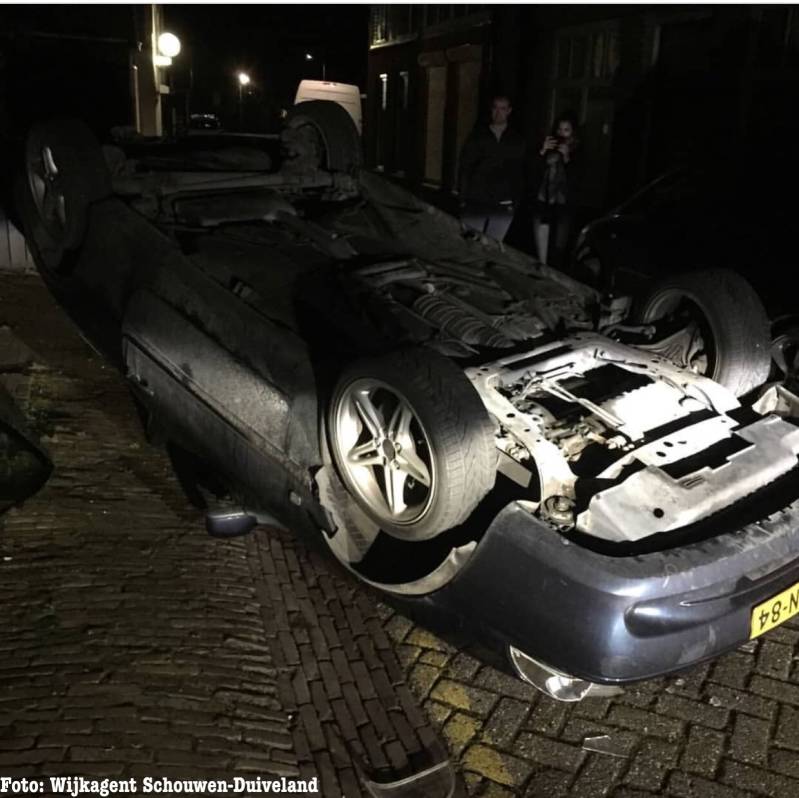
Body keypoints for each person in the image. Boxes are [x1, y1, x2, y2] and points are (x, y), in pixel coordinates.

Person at [457, 95, 526, 242]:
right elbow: (465, 166)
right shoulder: (478, 135)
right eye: (495, 108)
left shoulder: (516, 139)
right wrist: (463, 197)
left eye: (503, 108)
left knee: (494, 246)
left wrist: (515, 201)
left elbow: (519, 171)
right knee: (471, 244)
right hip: (476, 199)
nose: (498, 112)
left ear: (509, 111)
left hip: (503, 201)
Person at [532, 113, 581, 268]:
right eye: (559, 129)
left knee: (558, 248)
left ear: (573, 133)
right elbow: (532, 171)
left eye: (566, 130)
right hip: (543, 200)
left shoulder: (577, 150)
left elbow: (577, 179)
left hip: (563, 204)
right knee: (540, 249)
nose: (562, 134)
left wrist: (566, 158)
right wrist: (542, 151)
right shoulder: (548, 147)